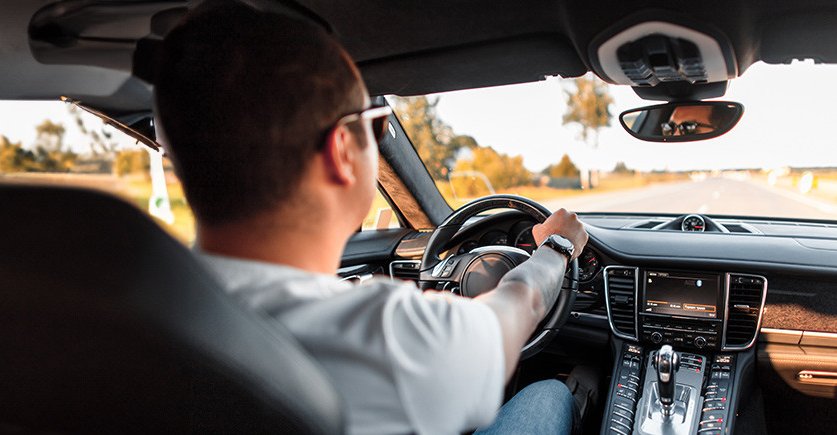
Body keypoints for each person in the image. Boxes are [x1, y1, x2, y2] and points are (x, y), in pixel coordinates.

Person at [150, 1, 589, 434]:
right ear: (342, 151)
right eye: (376, 125)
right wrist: (558, 247)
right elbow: (522, 304)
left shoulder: (138, 307)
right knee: (549, 394)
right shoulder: (381, 337)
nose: (377, 143)